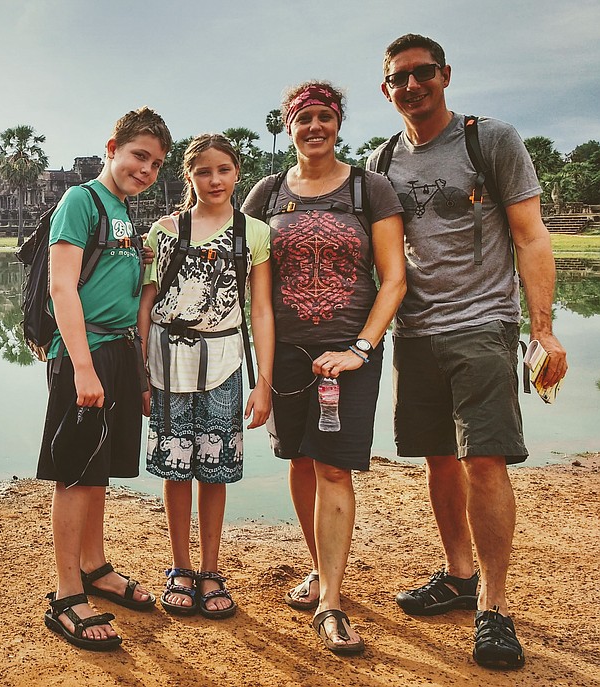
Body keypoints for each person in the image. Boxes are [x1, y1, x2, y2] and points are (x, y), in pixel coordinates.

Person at [368, 33, 568, 670]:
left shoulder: (491, 140)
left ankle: (496, 606)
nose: (412, 85)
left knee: (485, 459)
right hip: (416, 330)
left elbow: (531, 236)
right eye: (399, 78)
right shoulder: (382, 161)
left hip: (482, 323)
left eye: (423, 73)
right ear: (387, 89)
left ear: (445, 75)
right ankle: (459, 577)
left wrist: (543, 329)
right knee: (439, 461)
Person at [241, 81, 406, 655]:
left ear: (338, 123)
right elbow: (237, 267)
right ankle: (320, 569)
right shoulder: (264, 193)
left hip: (350, 354)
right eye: (303, 118)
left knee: (334, 468)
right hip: (287, 355)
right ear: (289, 126)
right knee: (301, 460)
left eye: (324, 117)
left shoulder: (369, 189)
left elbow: (394, 279)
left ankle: (332, 602)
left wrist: (360, 348)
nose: (315, 127)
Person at [37, 106, 173, 652]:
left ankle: (94, 566)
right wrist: (84, 368)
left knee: (100, 472)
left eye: (157, 164)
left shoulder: (123, 211)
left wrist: (136, 371)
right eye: (139, 156)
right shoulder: (82, 201)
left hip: (117, 353)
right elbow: (62, 287)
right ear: (112, 147)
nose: (146, 170)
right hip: (83, 354)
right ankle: (67, 592)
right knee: (75, 472)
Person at [137, 134, 273, 619]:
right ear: (188, 177)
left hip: (225, 362)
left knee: (214, 470)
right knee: (177, 470)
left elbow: (260, 310)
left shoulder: (253, 232)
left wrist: (264, 382)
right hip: (168, 362)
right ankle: (180, 567)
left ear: (237, 173)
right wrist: (140, 372)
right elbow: (147, 303)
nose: (214, 180)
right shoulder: (165, 231)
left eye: (223, 170)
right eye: (203, 172)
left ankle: (211, 569)